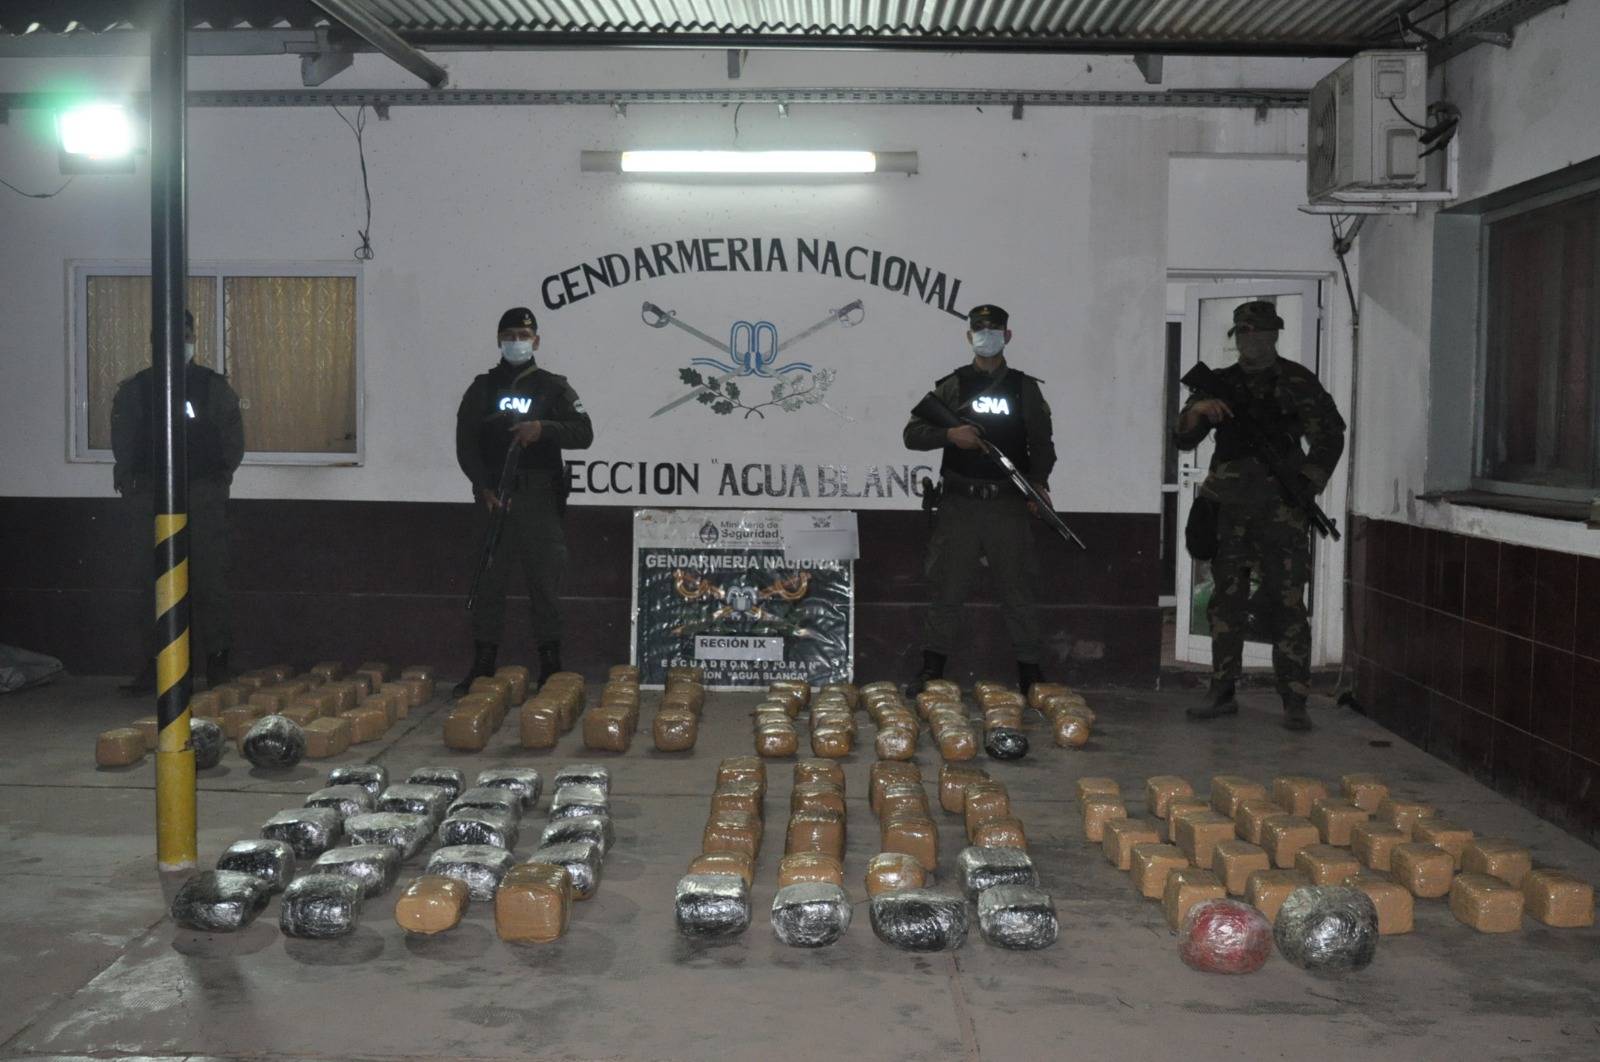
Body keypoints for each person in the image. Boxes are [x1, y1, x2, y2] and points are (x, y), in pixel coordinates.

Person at [1174, 300, 1346, 731]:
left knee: (1287, 603)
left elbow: (1330, 433)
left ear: (1274, 334)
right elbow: (1183, 438)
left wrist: (1307, 482)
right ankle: (1221, 689)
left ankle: (1294, 697)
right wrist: (1196, 411)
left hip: (1281, 511)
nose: (1252, 340)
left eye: (1260, 332)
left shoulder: (1297, 381)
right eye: (1244, 333)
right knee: (1226, 603)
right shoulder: (1220, 383)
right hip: (1229, 509)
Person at [902, 303, 1055, 697]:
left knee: (1018, 590)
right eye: (980, 330)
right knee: (946, 590)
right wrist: (950, 436)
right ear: (970, 336)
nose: (987, 337)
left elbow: (1041, 443)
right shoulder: (953, 386)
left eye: (994, 330)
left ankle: (1030, 673)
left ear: (1007, 336)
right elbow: (912, 434)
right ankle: (931, 669)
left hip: (1006, 503)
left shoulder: (1024, 388)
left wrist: (1038, 485)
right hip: (960, 505)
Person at [453, 307, 593, 696]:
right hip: (494, 498)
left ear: (536, 341)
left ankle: (551, 666)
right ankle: (483, 665)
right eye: (509, 335)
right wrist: (483, 486)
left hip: (539, 499)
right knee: (488, 582)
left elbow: (584, 433)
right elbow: (466, 444)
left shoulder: (553, 387)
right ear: (499, 341)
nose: (516, 341)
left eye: (523, 335)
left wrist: (543, 429)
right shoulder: (482, 388)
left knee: (545, 583)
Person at [112, 309, 245, 693]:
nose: (179, 343)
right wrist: (133, 484)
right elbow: (124, 441)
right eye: (170, 336)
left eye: (185, 335)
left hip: (201, 495)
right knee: (152, 583)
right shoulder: (137, 389)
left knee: (209, 580)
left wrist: (217, 480)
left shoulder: (211, 387)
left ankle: (217, 662)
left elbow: (232, 440)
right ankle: (157, 666)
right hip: (151, 496)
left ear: (193, 338)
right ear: (155, 341)